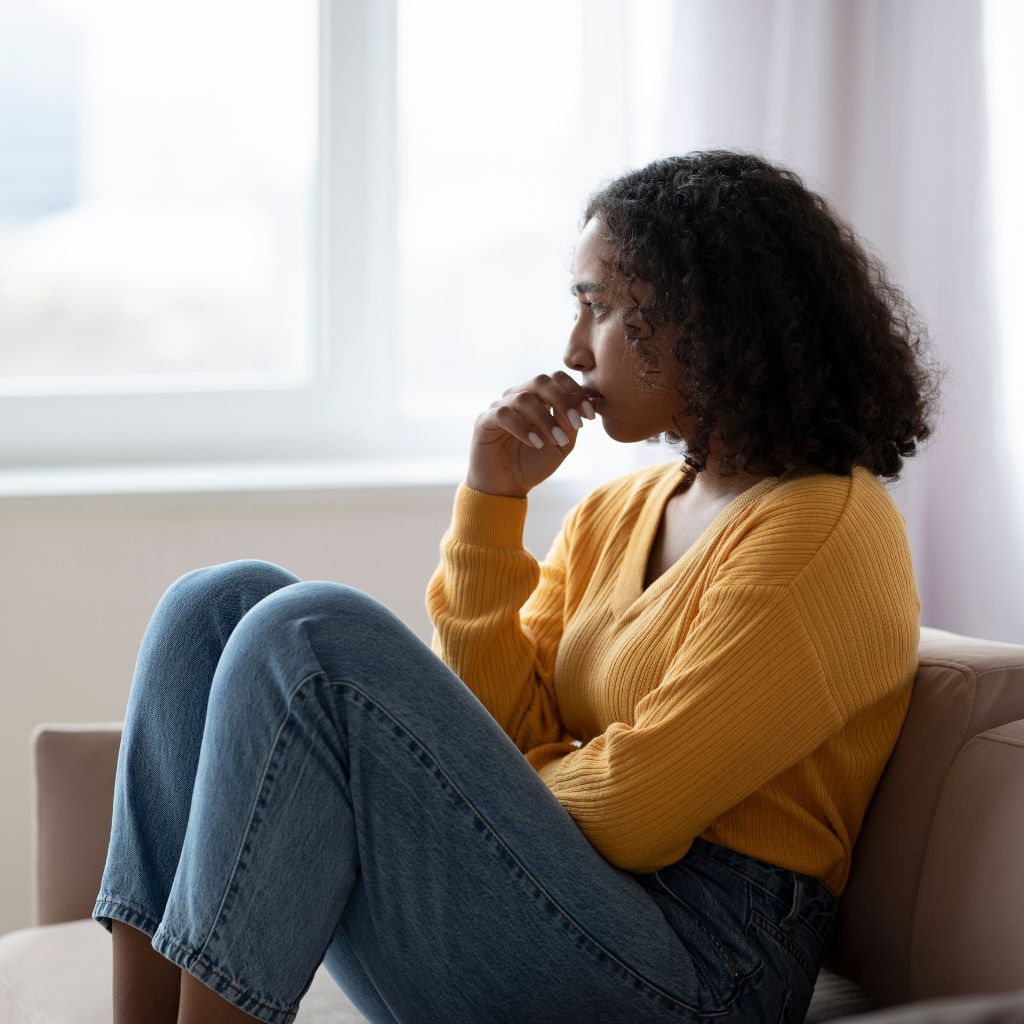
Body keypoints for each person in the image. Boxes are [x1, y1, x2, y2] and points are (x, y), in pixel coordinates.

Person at [94, 152, 935, 1024]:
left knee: (312, 636)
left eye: (598, 308)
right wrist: (495, 505)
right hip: (571, 900)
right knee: (216, 606)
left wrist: (478, 784)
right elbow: (506, 723)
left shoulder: (825, 531)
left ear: (707, 318)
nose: (573, 348)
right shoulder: (620, 509)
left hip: (702, 966)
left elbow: (637, 818)